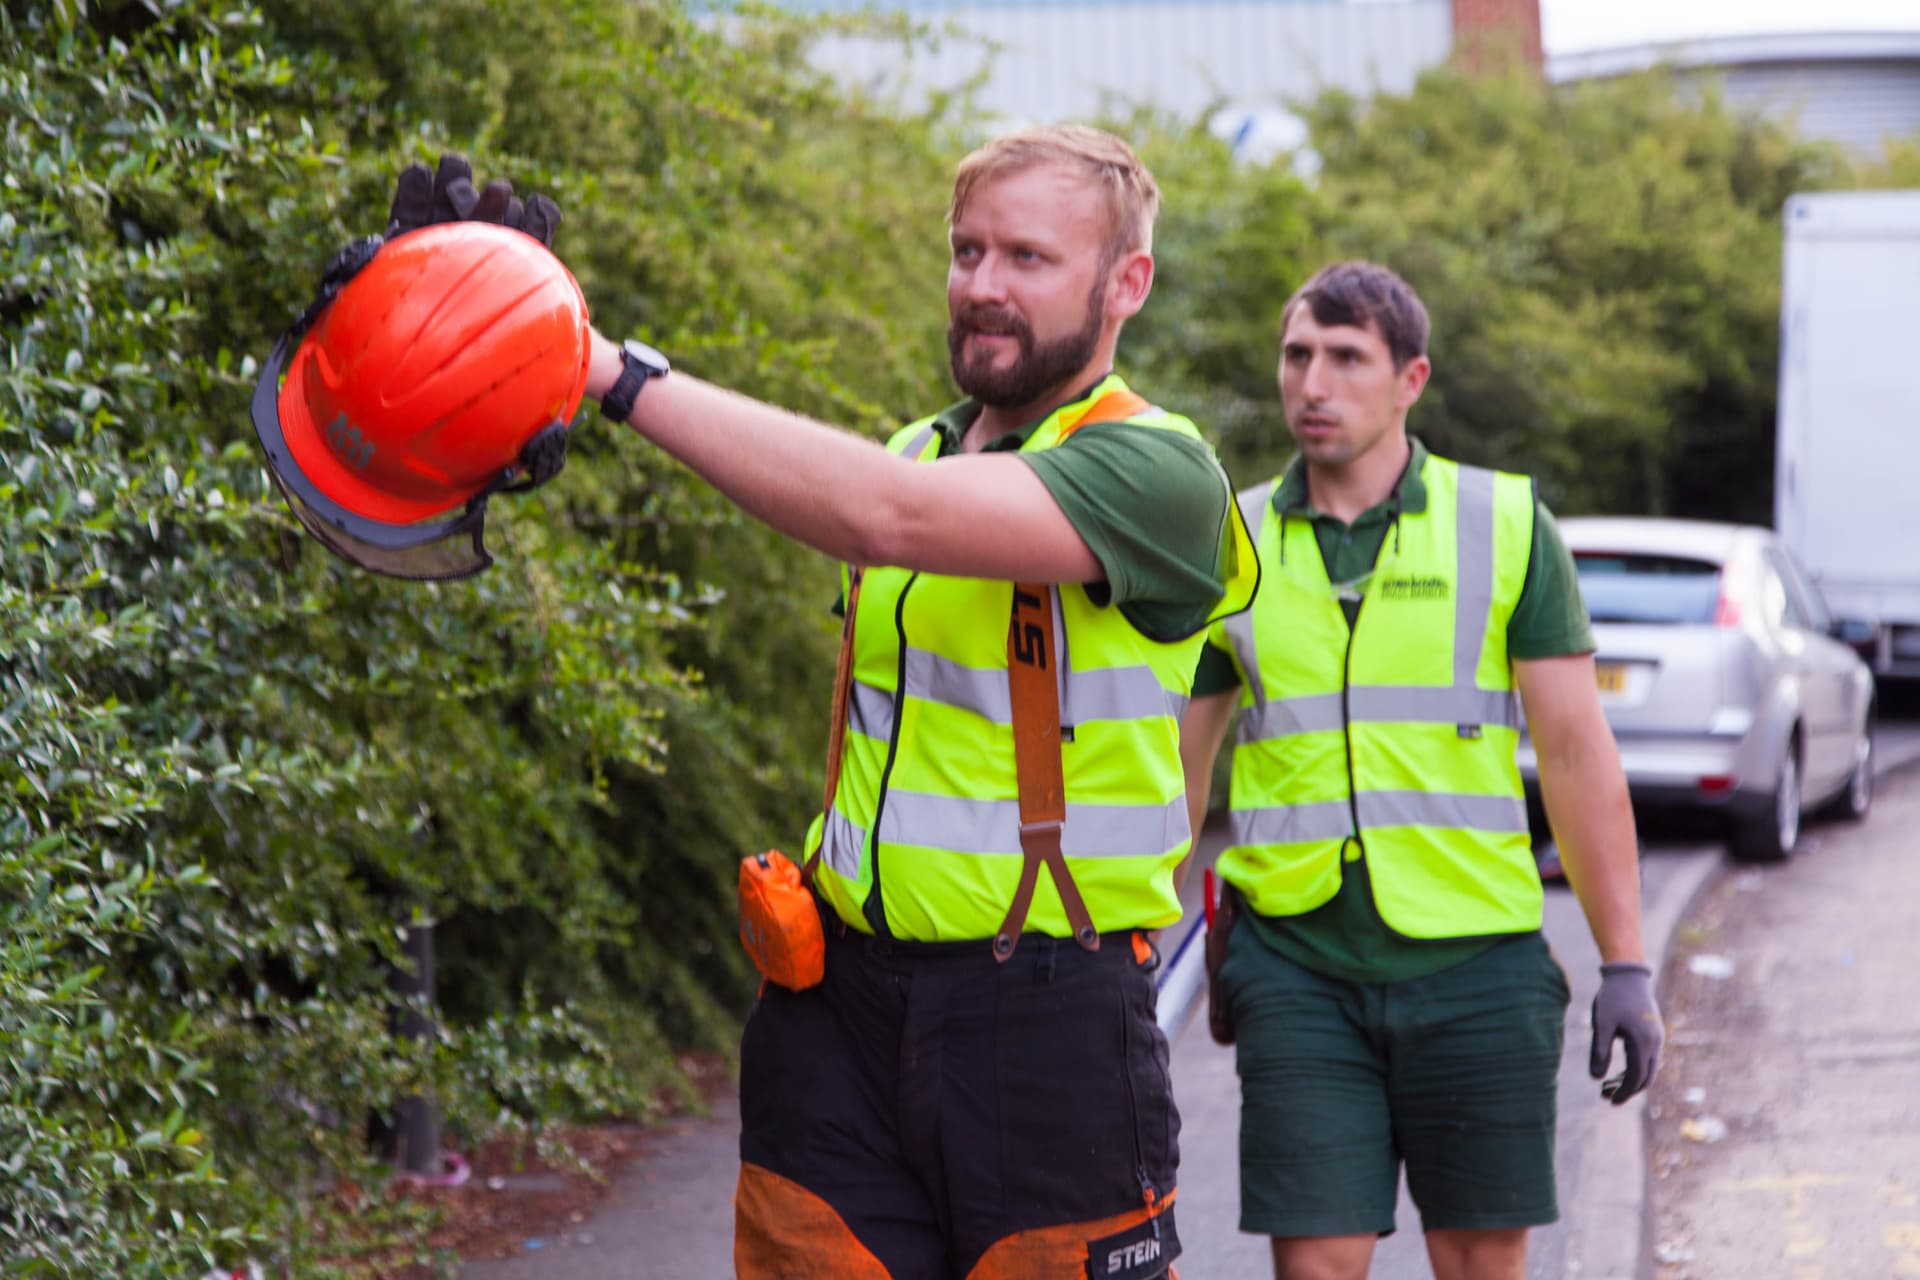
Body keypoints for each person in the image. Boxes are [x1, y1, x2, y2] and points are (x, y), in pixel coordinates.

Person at [542, 126, 1252, 1278]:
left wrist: (604, 369)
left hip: (1047, 1019)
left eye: (1027, 257)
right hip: (835, 1004)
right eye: (968, 251)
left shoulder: (1159, 471)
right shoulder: (915, 447)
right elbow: (882, 498)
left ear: (1128, 283)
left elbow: (888, 516)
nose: (982, 285)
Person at [1178, 261, 1663, 1280]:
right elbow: (1180, 755)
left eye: (1346, 358)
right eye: (1297, 355)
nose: (1313, 383)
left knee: (1481, 1257)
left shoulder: (1504, 524)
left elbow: (1576, 753)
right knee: (1317, 1261)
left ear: (1411, 378)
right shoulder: (1235, 539)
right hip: (1295, 963)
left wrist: (1626, 962)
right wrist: (1127, 934)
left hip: (1478, 965)